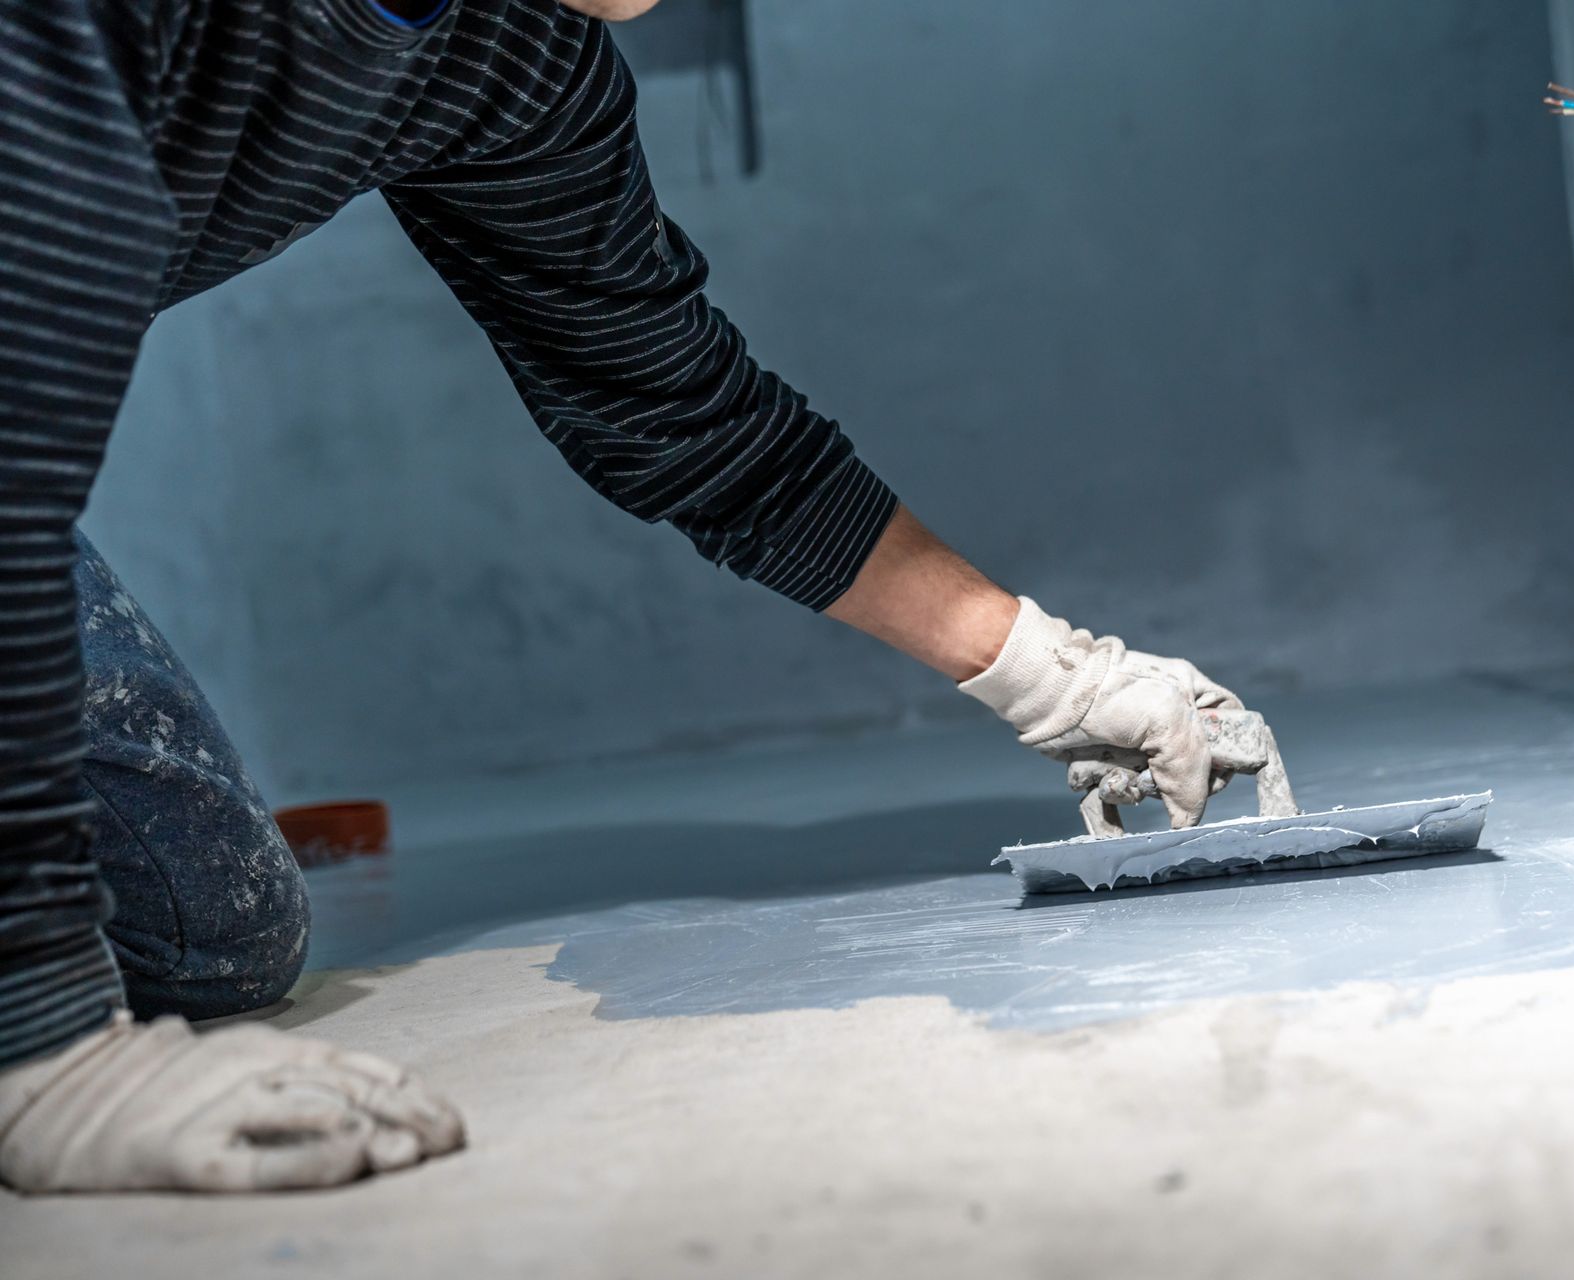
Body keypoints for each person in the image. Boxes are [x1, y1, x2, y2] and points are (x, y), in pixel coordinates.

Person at [0, 0, 1251, 1193]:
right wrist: (45, 1049)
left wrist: (1059, 675)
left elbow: (677, 411)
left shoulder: (516, 51)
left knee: (200, 928)